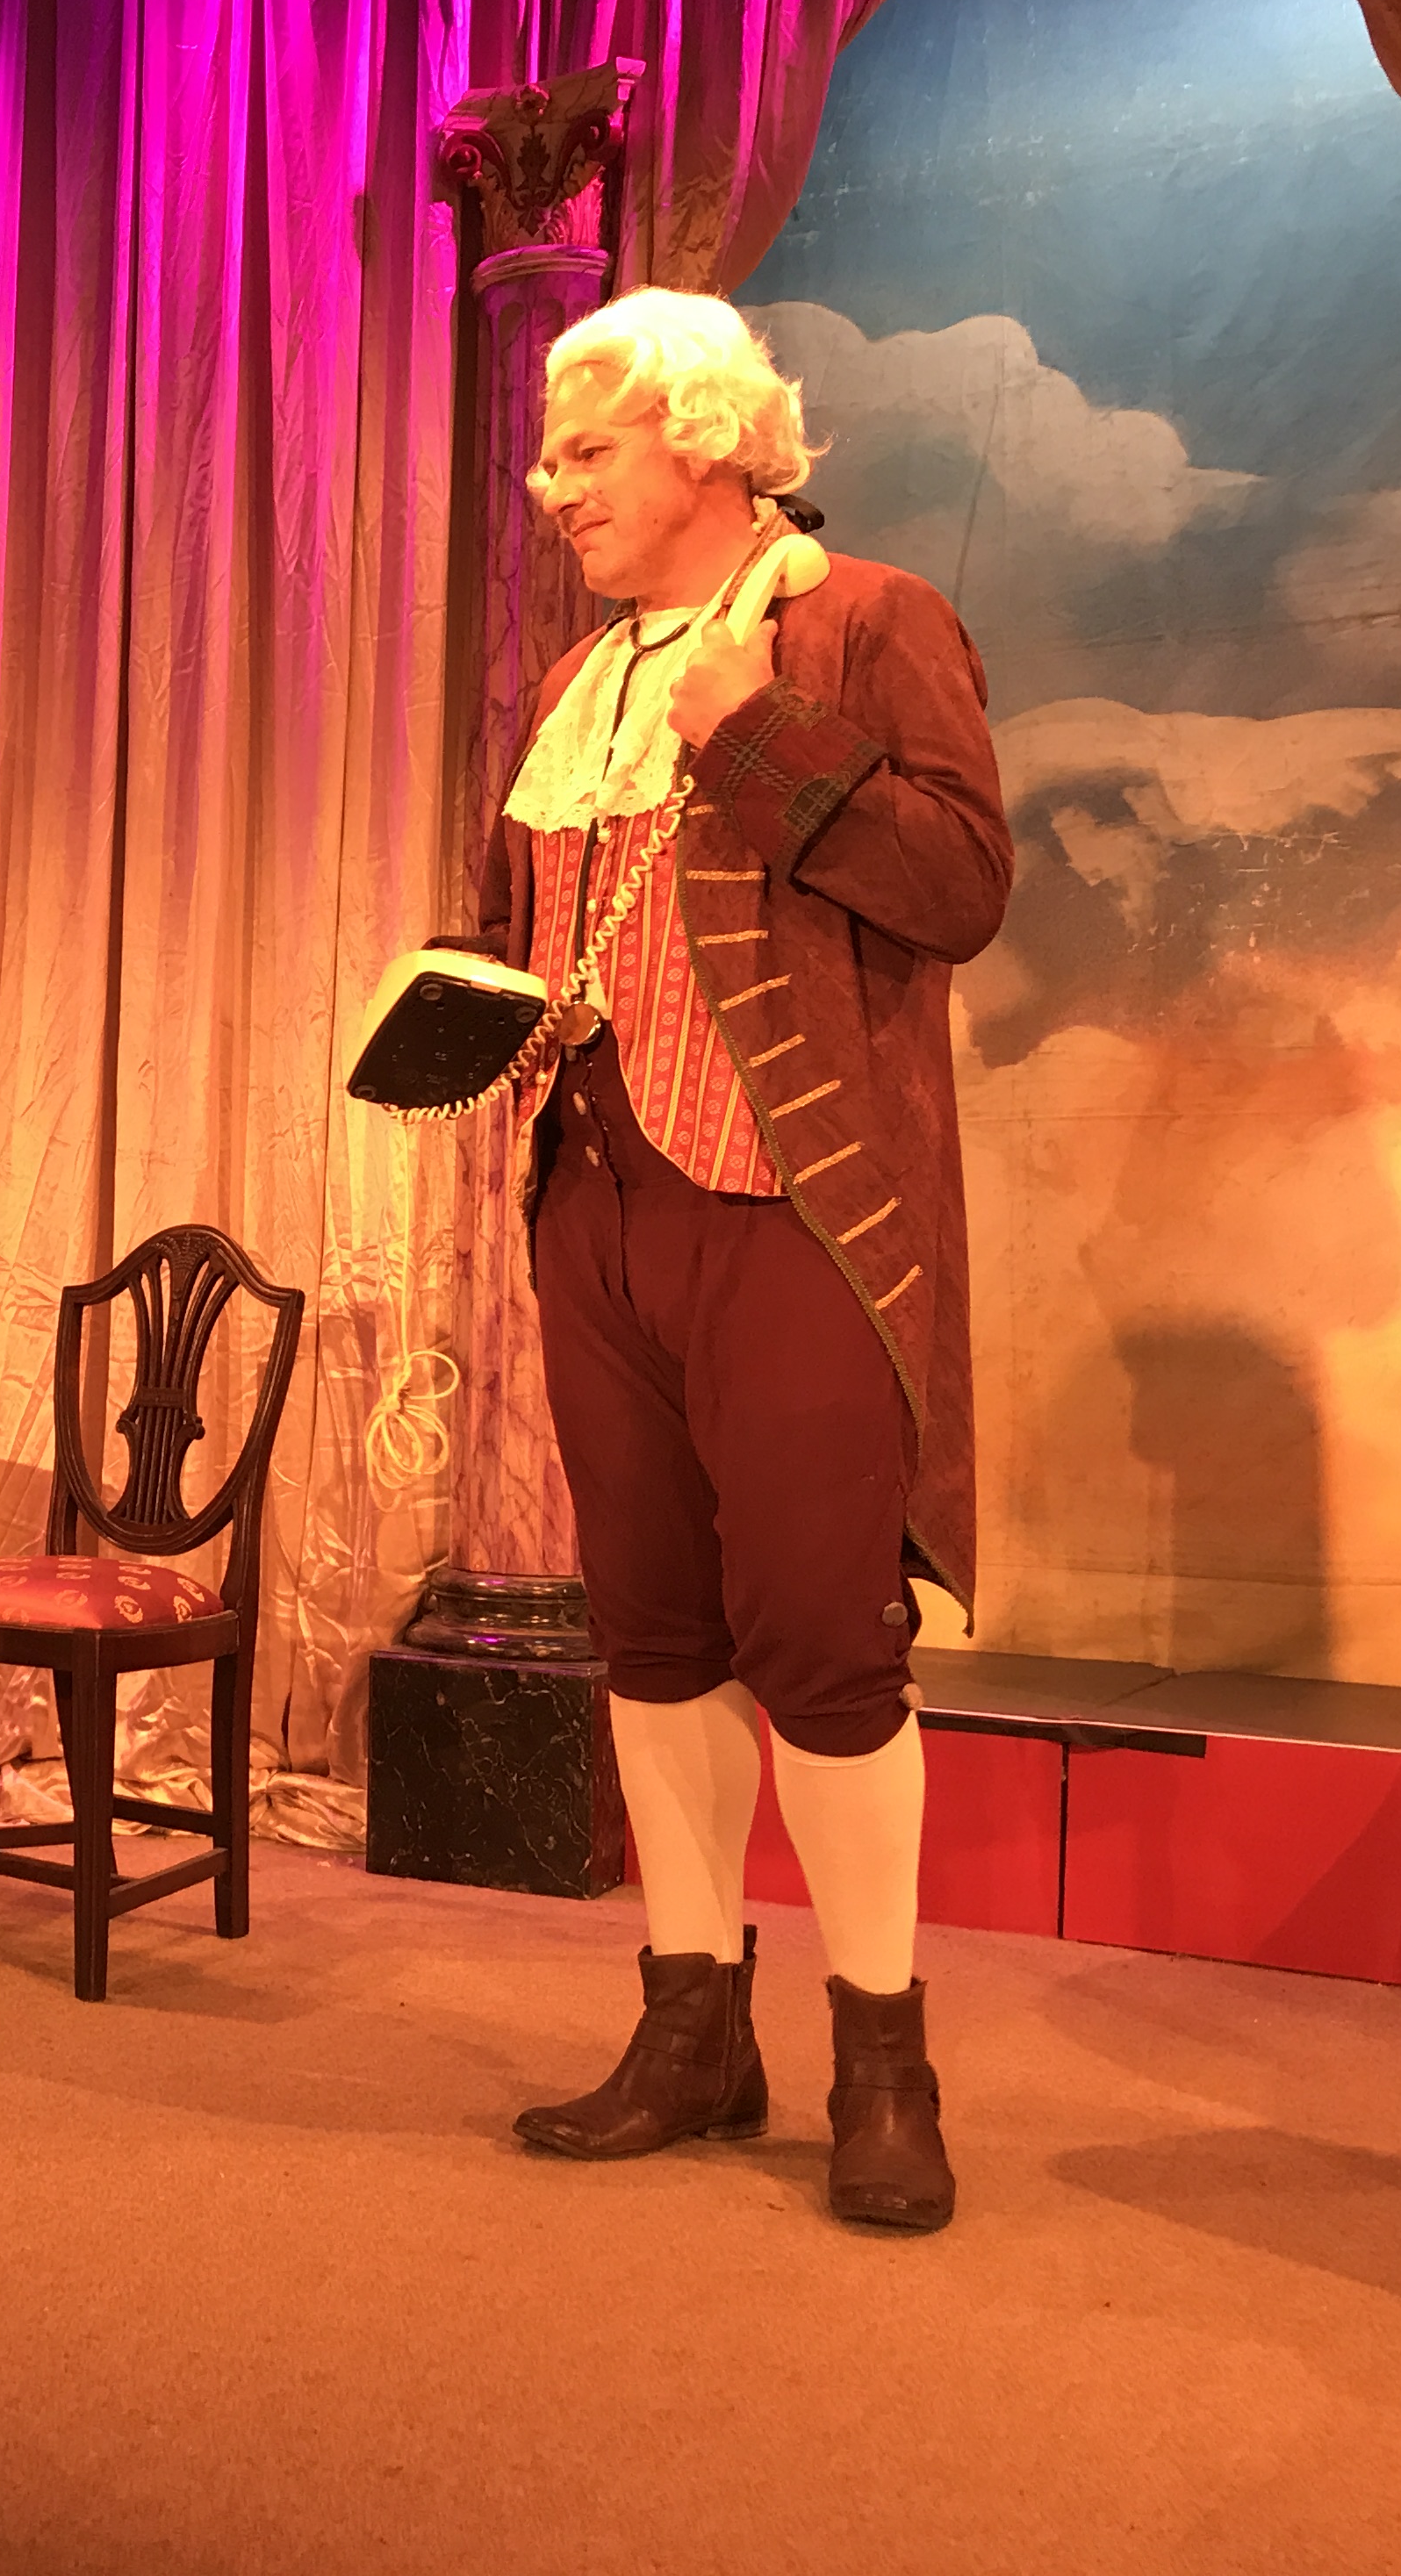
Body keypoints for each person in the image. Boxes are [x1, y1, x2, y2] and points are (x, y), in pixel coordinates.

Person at [460, 289, 1010, 2231]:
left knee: (823, 1640)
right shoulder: (576, 684)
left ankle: (884, 2064)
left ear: (701, 437)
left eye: (584, 449)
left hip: (792, 1209)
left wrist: (760, 732)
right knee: (654, 1632)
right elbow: (530, 924)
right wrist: (460, 1009)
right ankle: (693, 2028)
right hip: (597, 1203)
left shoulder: (860, 622)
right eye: (547, 456)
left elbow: (960, 887)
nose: (551, 490)